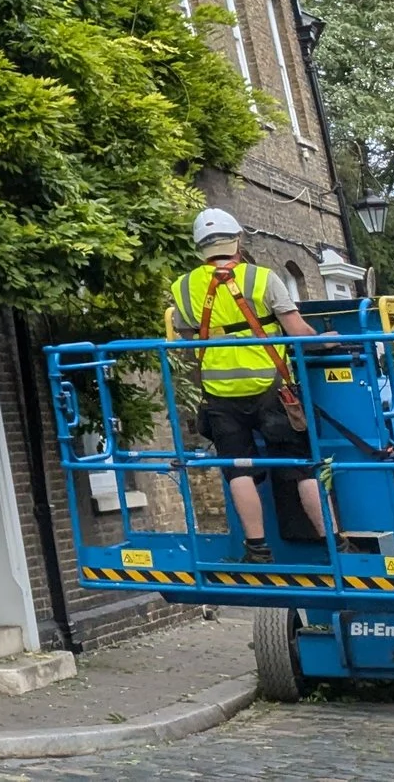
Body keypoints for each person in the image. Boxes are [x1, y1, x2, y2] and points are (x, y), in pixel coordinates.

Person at [165, 208, 326, 562]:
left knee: (238, 469)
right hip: (272, 388)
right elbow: (298, 332)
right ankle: (335, 543)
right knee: (302, 466)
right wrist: (328, 340)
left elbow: (188, 346)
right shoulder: (263, 278)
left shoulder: (184, 287)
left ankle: (257, 547)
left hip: (220, 395)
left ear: (200, 248)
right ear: (236, 240)